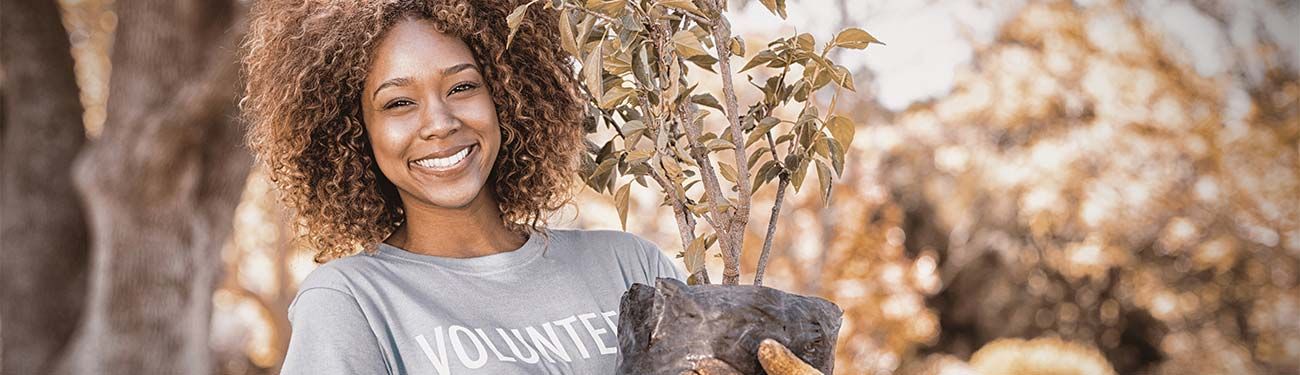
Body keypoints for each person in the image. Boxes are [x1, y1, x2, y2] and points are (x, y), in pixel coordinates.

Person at [240, 1, 687, 373]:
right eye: (398, 103)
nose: (439, 123)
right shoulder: (350, 300)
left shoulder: (630, 266)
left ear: (506, 96)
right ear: (355, 129)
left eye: (462, 87)